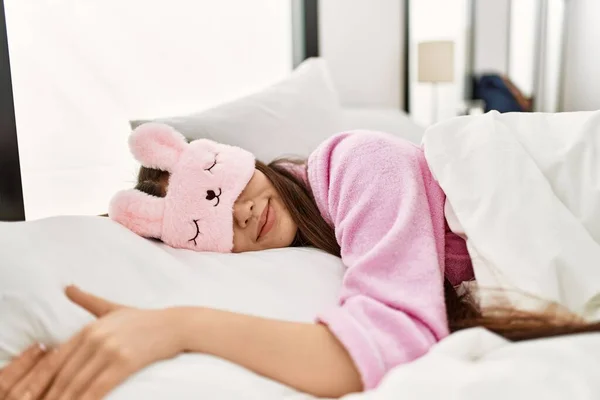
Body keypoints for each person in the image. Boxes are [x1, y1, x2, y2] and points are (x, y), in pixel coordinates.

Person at [0, 131, 598, 400]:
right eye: (210, 225)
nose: (239, 215)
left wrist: (177, 326)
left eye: (232, 187)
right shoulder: (313, 255)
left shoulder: (357, 163)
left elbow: (397, 336)